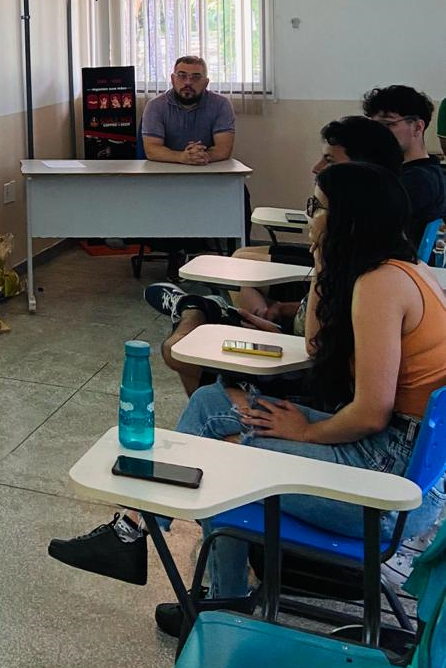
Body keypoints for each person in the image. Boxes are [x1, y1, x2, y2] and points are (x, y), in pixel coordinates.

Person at [149, 161, 446, 635]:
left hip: (386, 484)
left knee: (229, 460)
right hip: (396, 461)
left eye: (318, 208)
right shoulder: (398, 271)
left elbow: (371, 412)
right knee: (210, 403)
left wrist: (307, 432)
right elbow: (315, 347)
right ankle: (140, 532)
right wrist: (323, 264)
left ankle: (224, 608)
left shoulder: (380, 285)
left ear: (348, 218)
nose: (310, 218)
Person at [147, 117, 404, 396]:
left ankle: (191, 310)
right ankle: (196, 308)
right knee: (193, 334)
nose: (316, 168)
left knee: (182, 351)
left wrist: (318, 264)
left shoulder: (371, 273)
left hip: (301, 372)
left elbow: (321, 352)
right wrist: (283, 313)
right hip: (295, 345)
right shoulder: (359, 251)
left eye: (316, 208)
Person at [139, 56, 238, 276]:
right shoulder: (155, 106)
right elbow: (152, 149)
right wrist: (182, 157)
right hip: (167, 178)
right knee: (174, 199)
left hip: (208, 175)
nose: (188, 82)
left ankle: (240, 260)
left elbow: (223, 149)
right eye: (182, 76)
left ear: (206, 82)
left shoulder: (221, 105)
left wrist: (201, 156)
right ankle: (178, 255)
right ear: (173, 79)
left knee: (240, 197)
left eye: (195, 77)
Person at [362, 85, 446, 248]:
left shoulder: (416, 180)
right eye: (374, 126)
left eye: (388, 124)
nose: (377, 134)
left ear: (418, 127)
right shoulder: (429, 172)